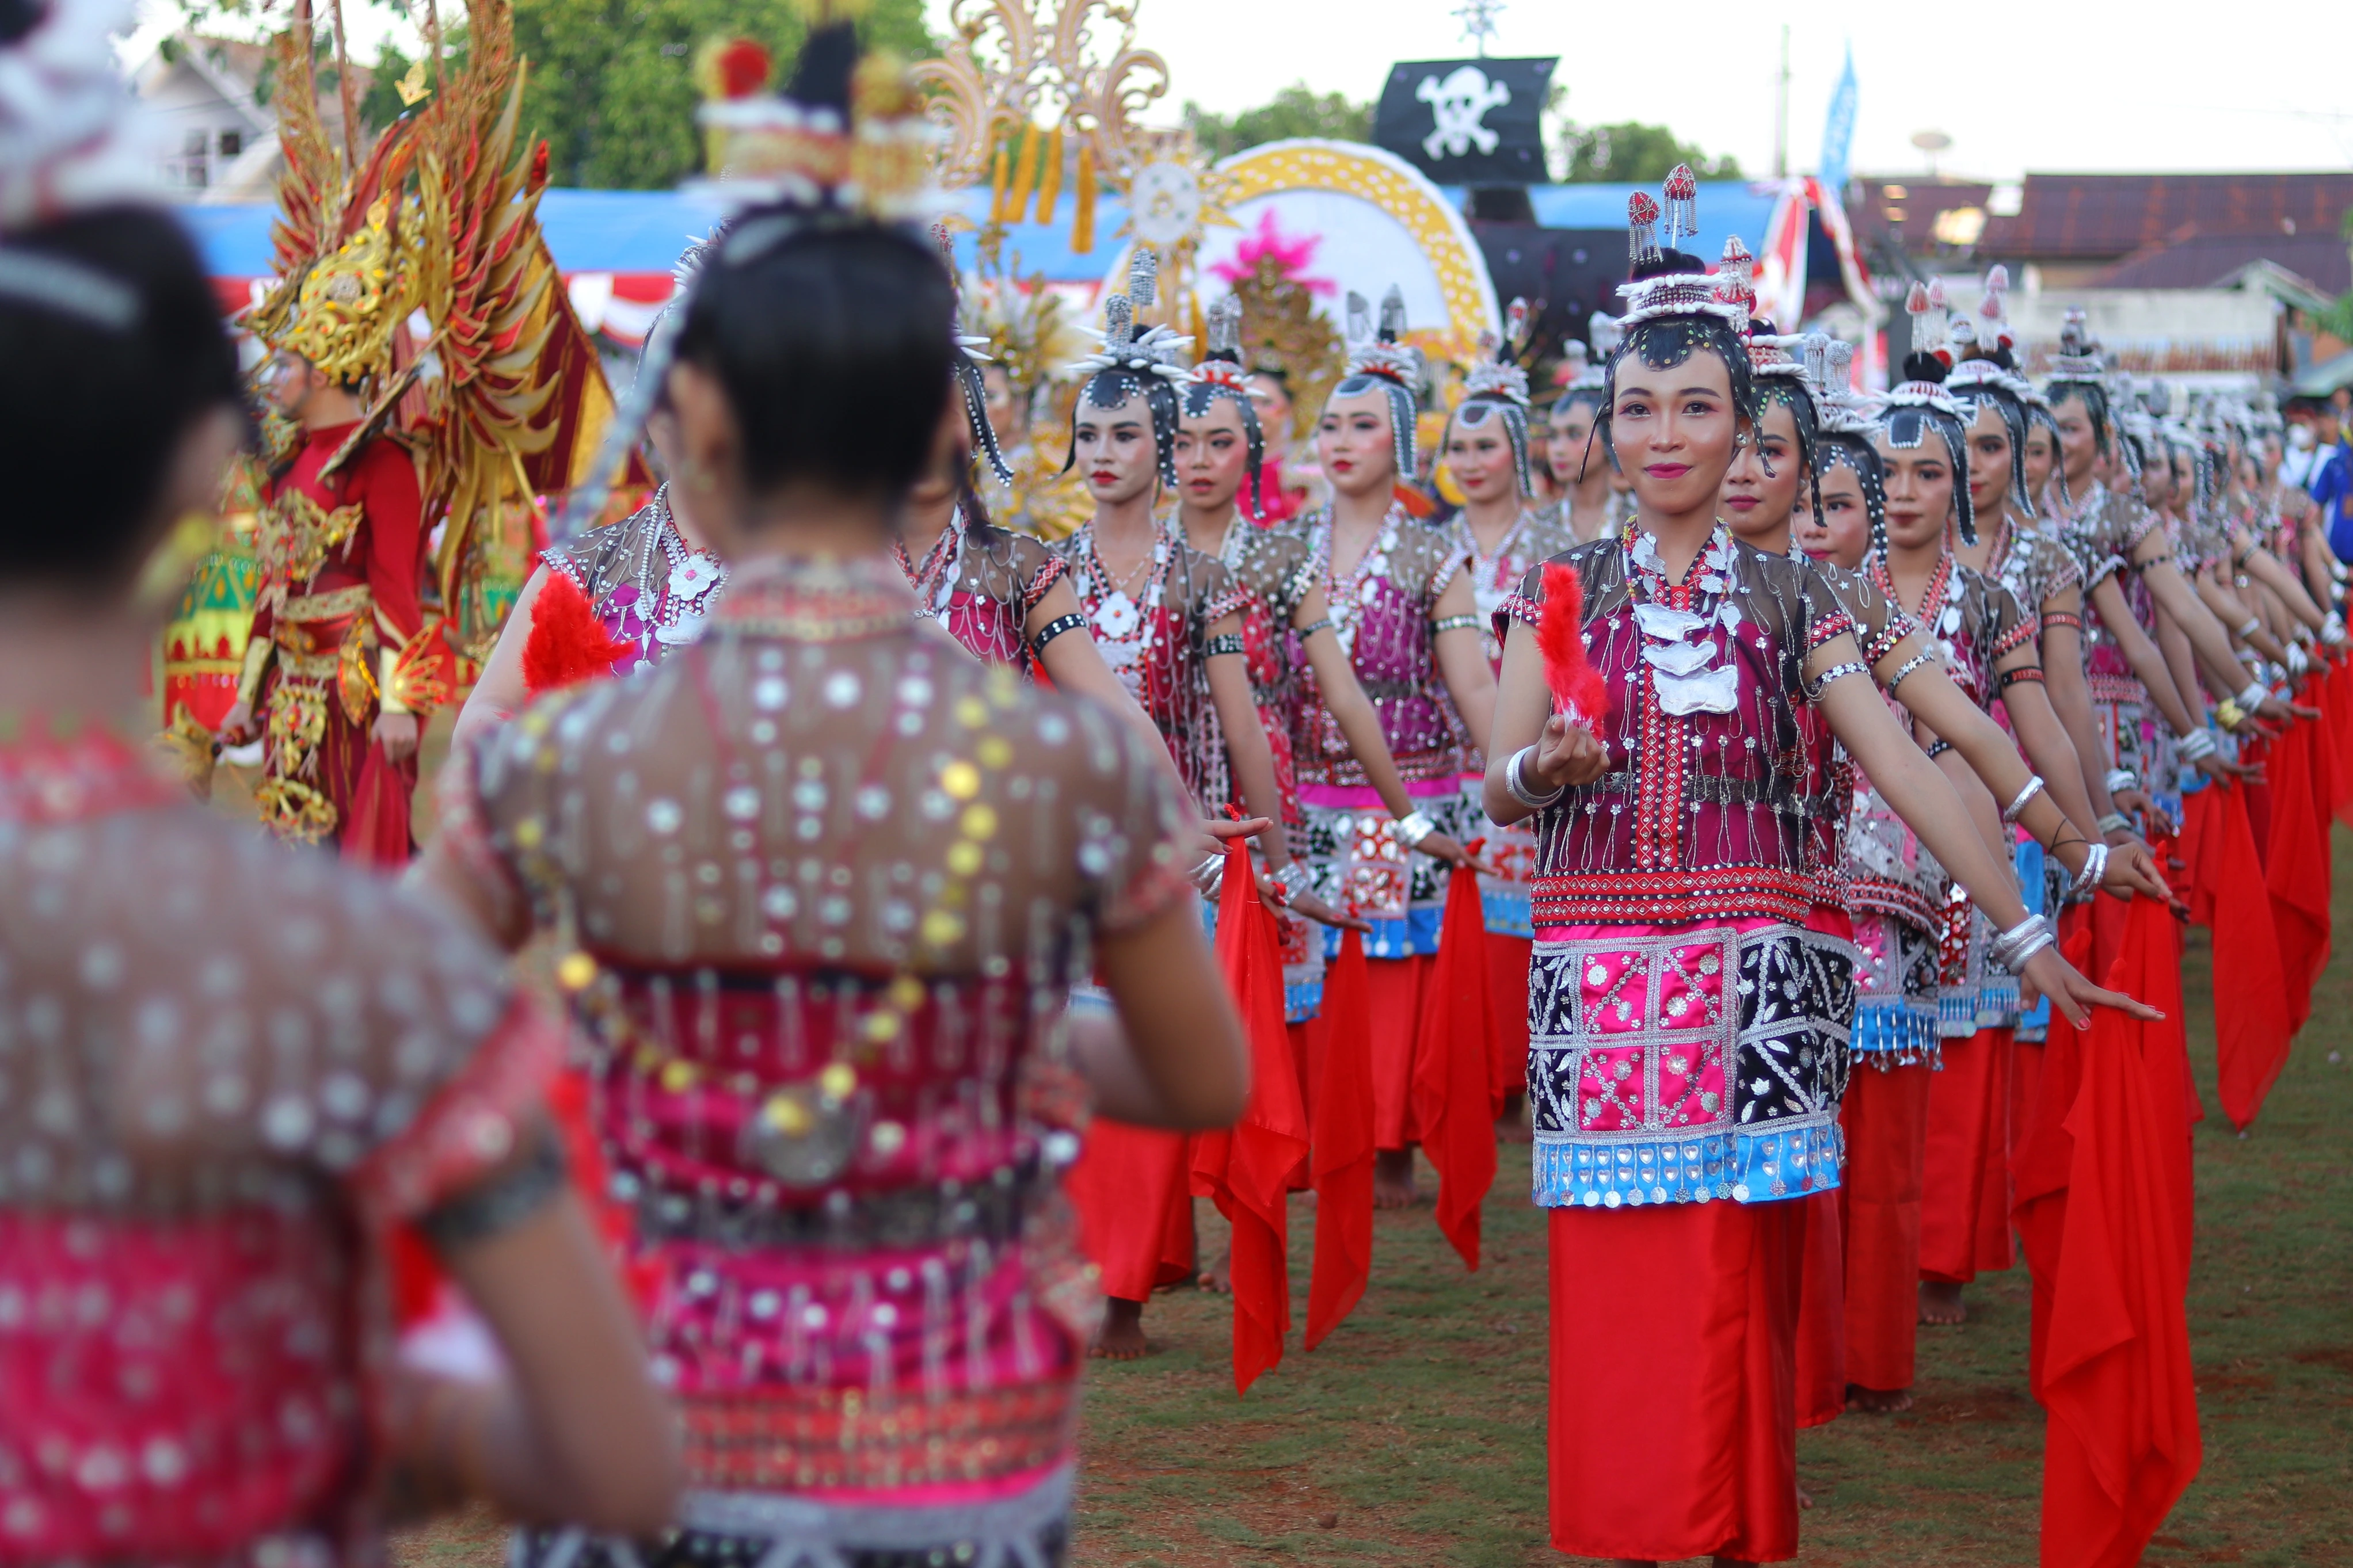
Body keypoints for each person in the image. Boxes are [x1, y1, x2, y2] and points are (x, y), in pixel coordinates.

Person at [417, 27, 1250, 1564]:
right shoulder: (1062, 765)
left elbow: (386, 1017)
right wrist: (966, 1020)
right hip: (948, 1442)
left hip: (648, 1415)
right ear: (942, 426)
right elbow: (1203, 1076)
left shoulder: (565, 758)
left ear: (700, 423)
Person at [0, 10, 679, 1553]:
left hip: (341, 694)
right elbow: (622, 1463)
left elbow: (401, 595)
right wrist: (364, 1402)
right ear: (200, 465)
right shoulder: (373, 977)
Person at [1481, 178, 2152, 1567]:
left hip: (1757, 981)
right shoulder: (1564, 581)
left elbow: (1916, 765)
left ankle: (1723, 1526)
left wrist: (2029, 932)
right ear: (1609, 426)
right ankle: (1633, 1526)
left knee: (1732, 1285)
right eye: (1640, 409)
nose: (1666, 435)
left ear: (1742, 433)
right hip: (1598, 989)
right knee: (1612, 1289)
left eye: (1697, 409)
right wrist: (1546, 771)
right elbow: (1499, 773)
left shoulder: (1801, 599)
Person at [1296, 285, 1499, 1208]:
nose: (1341, 440)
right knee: (1312, 974)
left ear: (1402, 444)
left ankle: (1387, 1146)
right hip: (1303, 788)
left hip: (1407, 791)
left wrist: (1529, 767)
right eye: (1331, 424)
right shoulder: (1281, 548)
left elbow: (1474, 685)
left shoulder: (1432, 558)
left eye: (1363, 425)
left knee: (1387, 979)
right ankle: (1309, 1139)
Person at [217, 208, 436, 863]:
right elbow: (273, 586)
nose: (273, 378)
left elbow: (399, 589)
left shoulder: (381, 462)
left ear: (321, 371)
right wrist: (245, 695)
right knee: (293, 837)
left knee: (354, 849)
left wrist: (399, 704)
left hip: (355, 691)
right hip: (292, 692)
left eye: (283, 364)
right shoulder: (287, 462)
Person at [1443, 316, 1574, 1132]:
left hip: (1533, 750)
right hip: (1450, 759)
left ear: (1517, 453)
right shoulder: (1433, 547)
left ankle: (1533, 1074)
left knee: (1529, 924)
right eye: (1456, 448)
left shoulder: (1561, 540)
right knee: (1471, 931)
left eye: (1483, 447)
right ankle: (1479, 1080)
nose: (1467, 463)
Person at [1542, 339, 1620, 543]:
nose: (1558, 450)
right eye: (1553, 436)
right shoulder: (1535, 527)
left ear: (1609, 436)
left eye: (1574, 435)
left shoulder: (1642, 520)